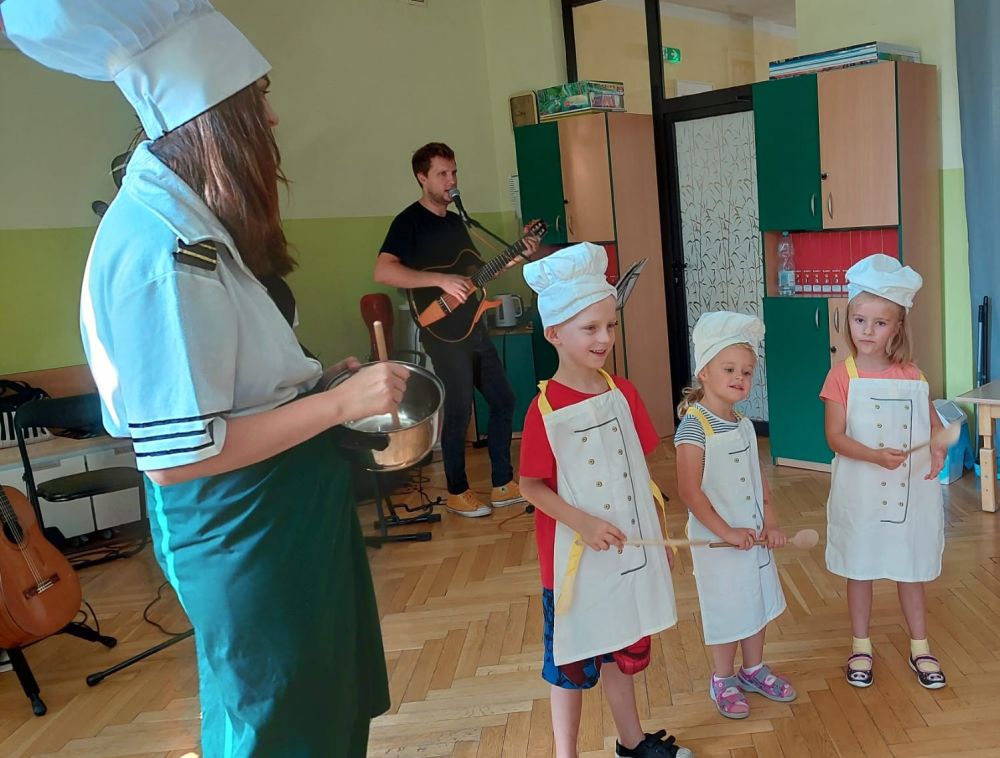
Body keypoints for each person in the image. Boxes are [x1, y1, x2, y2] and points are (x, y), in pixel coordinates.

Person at [1, 1, 410, 754]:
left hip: (287, 509)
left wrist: (318, 390)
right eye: (259, 102)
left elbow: (232, 382)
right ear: (216, 123)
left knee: (322, 701)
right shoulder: (159, 250)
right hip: (246, 523)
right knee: (277, 717)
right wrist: (338, 406)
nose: (275, 120)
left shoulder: (195, 222)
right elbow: (179, 457)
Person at [519, 243, 690, 758]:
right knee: (571, 664)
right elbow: (530, 487)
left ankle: (632, 742)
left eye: (609, 326)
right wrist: (584, 524)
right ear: (554, 333)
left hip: (624, 556)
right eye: (589, 328)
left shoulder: (624, 392)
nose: (604, 339)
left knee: (620, 650)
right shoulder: (542, 409)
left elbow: (640, 475)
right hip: (570, 566)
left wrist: (656, 543)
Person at [374, 142, 537, 518]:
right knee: (460, 410)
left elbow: (479, 273)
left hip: (472, 327)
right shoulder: (408, 221)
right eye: (442, 174)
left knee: (503, 399)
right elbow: (383, 271)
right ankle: (457, 491)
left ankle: (502, 483)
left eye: (454, 172)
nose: (451, 181)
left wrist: (520, 251)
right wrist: (441, 281)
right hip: (442, 331)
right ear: (422, 178)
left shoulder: (457, 221)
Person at [821, 254, 947, 690]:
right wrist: (875, 457)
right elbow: (835, 438)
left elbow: (931, 424)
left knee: (910, 568)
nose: (867, 332)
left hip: (909, 493)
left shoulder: (913, 375)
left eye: (879, 323)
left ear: (897, 327)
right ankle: (861, 644)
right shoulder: (842, 375)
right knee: (862, 566)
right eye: (860, 320)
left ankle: (920, 647)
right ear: (848, 321)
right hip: (862, 491)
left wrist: (937, 446)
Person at [674, 311, 794, 720]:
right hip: (719, 542)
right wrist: (726, 531)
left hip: (753, 535)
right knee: (728, 606)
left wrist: (771, 522)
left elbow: (758, 478)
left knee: (755, 599)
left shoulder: (743, 424)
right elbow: (690, 491)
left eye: (746, 371)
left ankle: (753, 670)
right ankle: (723, 677)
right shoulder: (694, 427)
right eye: (729, 369)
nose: (740, 378)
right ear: (704, 371)